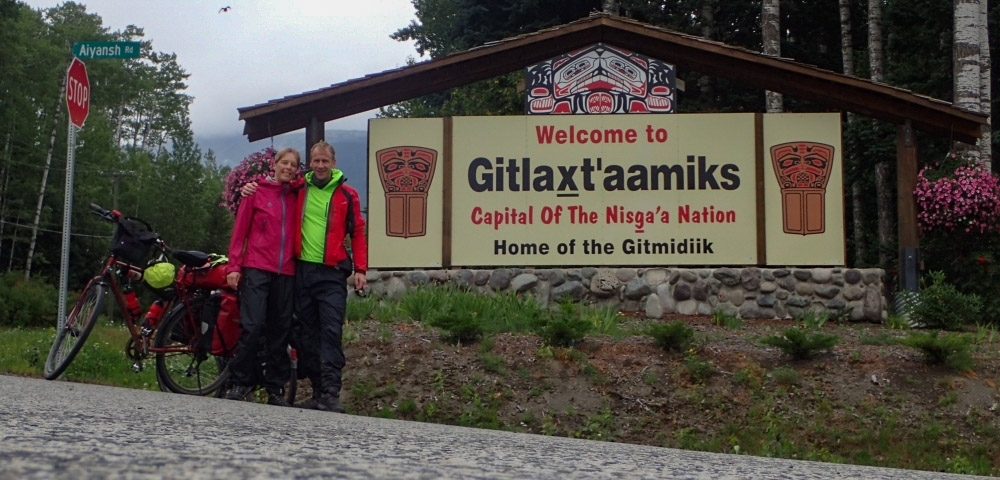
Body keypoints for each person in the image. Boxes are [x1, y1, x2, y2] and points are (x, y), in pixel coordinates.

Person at [243, 140, 367, 413]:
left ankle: (331, 393)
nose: (320, 166)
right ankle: (319, 391)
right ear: (309, 164)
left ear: (333, 163)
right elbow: (271, 188)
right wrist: (249, 187)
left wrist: (361, 270)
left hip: (332, 274)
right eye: (316, 161)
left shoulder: (348, 195)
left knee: (331, 332)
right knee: (305, 335)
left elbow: (358, 231)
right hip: (301, 272)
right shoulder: (299, 188)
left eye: (325, 161)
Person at [224, 147, 302, 407]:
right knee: (253, 326)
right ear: (275, 163)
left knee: (280, 331)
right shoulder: (255, 192)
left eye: (293, 165)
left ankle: (275, 389)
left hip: (287, 271)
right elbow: (240, 232)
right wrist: (233, 266)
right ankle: (239, 382)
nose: (288, 168)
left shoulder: (297, 194)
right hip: (257, 267)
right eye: (284, 163)